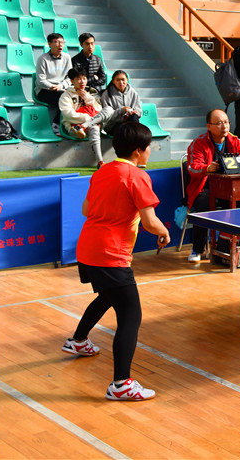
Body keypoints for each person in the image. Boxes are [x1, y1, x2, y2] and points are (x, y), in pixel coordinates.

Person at [63, 121, 169, 400]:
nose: (150, 152)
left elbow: (86, 209)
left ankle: (78, 341)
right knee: (131, 315)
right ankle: (121, 384)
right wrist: (164, 231)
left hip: (87, 249)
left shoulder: (102, 172)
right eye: (149, 147)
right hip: (111, 254)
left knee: (108, 296)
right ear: (138, 151)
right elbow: (150, 222)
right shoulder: (137, 176)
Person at [185, 109, 240, 263]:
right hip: (204, 189)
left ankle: (231, 247)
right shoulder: (198, 143)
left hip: (230, 190)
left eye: (226, 122)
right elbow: (193, 167)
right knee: (203, 205)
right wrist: (207, 168)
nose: (224, 126)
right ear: (209, 126)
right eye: (219, 123)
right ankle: (197, 249)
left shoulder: (237, 142)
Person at [58, 67, 112, 168]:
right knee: (94, 126)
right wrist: (89, 119)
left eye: (84, 78)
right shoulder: (65, 96)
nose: (82, 81)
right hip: (74, 127)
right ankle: (100, 161)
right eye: (78, 79)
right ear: (72, 81)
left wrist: (87, 97)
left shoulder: (91, 92)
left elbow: (99, 110)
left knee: (109, 110)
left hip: (93, 124)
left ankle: (84, 126)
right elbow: (68, 115)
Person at [35, 32, 73, 135]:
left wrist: (60, 86)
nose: (60, 45)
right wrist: (52, 86)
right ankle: (56, 125)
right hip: (44, 90)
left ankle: (73, 125)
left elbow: (70, 77)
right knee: (64, 97)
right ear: (49, 44)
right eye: (56, 42)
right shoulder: (43, 59)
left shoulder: (67, 57)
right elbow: (41, 81)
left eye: (62, 42)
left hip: (61, 88)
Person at [100, 70, 142, 135]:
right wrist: (121, 111)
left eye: (123, 79)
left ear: (127, 80)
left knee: (133, 118)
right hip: (113, 125)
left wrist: (133, 112)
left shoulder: (133, 93)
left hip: (129, 121)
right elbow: (106, 116)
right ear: (113, 81)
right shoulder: (106, 94)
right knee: (127, 131)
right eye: (118, 80)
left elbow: (139, 111)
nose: (121, 82)